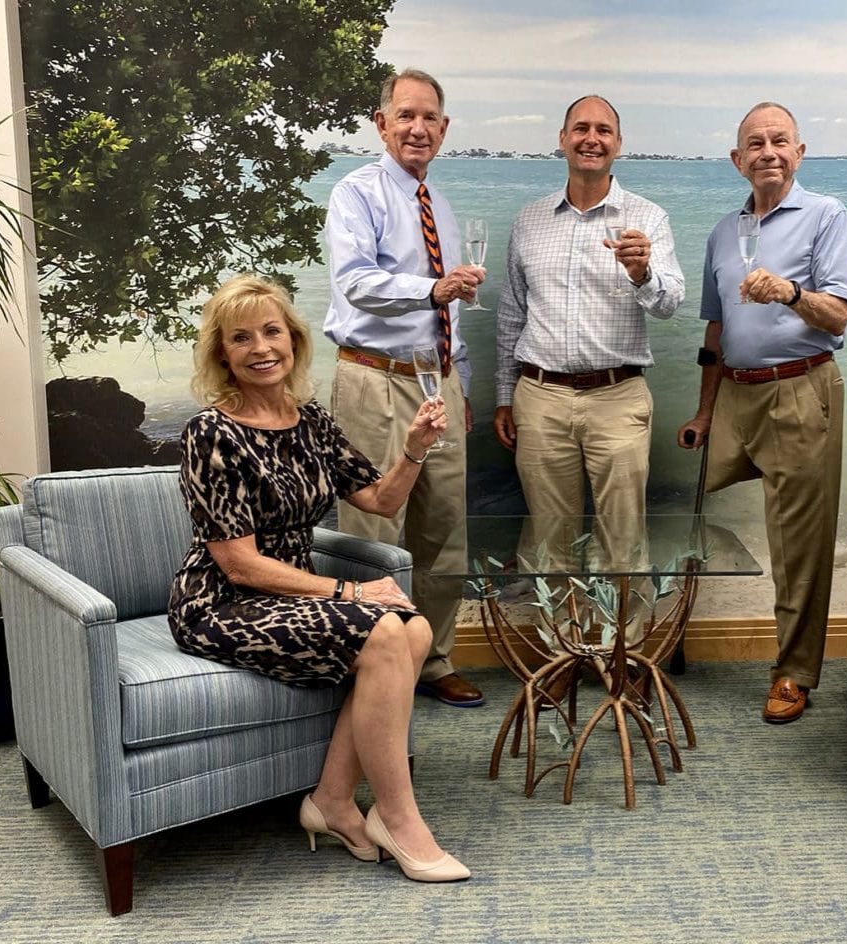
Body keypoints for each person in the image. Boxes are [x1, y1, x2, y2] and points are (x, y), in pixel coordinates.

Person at [168, 274, 469, 882]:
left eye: (272, 331)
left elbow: (381, 501)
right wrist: (351, 591)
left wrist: (413, 449)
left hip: (288, 594)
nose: (261, 348)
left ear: (294, 338)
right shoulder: (211, 432)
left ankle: (330, 802)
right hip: (221, 601)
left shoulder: (311, 421)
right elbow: (238, 563)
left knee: (410, 631)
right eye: (241, 338)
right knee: (389, 631)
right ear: (221, 353)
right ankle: (398, 817)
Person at [678, 101, 847, 724]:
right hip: (734, 393)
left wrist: (790, 291)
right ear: (738, 160)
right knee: (687, 513)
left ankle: (794, 672)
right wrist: (704, 411)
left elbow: (839, 315)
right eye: (755, 144)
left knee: (798, 543)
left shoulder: (827, 215)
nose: (768, 152)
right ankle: (673, 636)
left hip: (800, 390)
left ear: (800, 152)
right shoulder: (723, 231)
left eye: (780, 141)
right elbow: (716, 325)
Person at [323, 68, 486, 707]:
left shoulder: (438, 204)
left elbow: (448, 311)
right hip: (372, 378)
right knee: (373, 530)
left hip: (435, 382)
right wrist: (433, 288)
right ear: (382, 122)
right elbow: (357, 283)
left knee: (444, 527)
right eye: (406, 115)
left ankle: (432, 657)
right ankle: (373, 665)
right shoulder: (356, 193)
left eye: (430, 119)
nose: (418, 128)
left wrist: (461, 382)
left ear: (443, 130)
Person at [494, 94, 684, 580]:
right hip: (539, 398)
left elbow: (669, 305)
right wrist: (503, 397)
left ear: (618, 144)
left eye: (603, 130)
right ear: (562, 140)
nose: (591, 139)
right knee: (546, 541)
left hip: (618, 398)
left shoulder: (649, 218)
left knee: (622, 542)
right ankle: (560, 654)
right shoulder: (529, 220)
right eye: (581, 128)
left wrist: (642, 273)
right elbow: (512, 314)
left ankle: (621, 654)